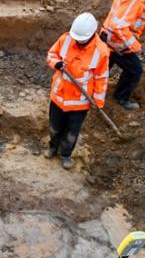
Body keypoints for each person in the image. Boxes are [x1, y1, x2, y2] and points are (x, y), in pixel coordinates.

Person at [44, 13, 109, 170]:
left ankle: (65, 154)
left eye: (82, 39)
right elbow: (51, 55)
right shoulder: (65, 39)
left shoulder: (101, 51)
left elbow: (101, 78)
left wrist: (98, 101)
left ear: (92, 34)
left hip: (80, 102)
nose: (78, 41)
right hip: (58, 95)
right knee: (54, 125)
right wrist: (56, 63)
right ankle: (53, 146)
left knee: (71, 132)